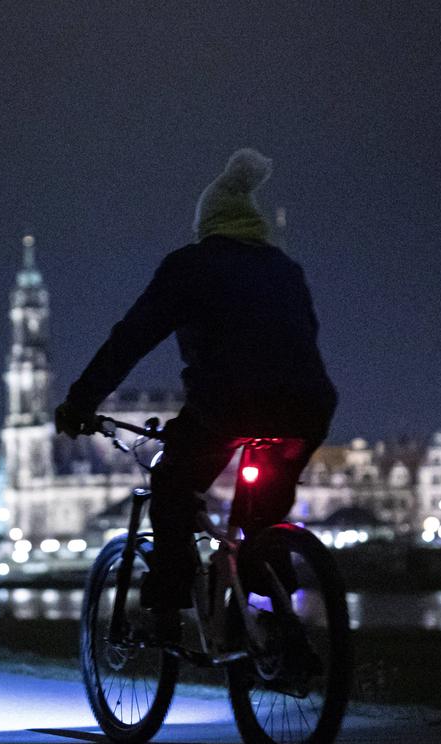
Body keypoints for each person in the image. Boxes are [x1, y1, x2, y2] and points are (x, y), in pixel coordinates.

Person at [54, 148, 338, 642]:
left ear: (207, 223)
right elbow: (305, 337)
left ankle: (166, 611)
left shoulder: (191, 265)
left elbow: (132, 338)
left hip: (228, 405)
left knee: (171, 486)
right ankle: (272, 619)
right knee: (261, 517)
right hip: (307, 407)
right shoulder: (286, 269)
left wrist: (81, 399)